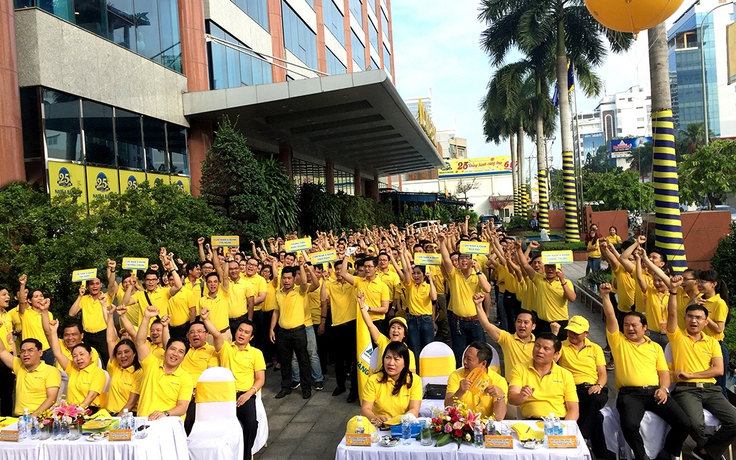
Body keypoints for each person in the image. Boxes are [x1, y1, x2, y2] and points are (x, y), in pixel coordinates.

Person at [600, 283, 691, 460]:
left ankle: (665, 454)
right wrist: (605, 296)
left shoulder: (655, 347)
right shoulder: (619, 342)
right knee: (629, 425)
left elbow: (664, 373)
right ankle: (642, 457)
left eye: (634, 325)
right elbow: (611, 315)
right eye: (626, 325)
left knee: (684, 423)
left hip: (655, 392)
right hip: (630, 394)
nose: (630, 328)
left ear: (645, 327)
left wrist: (664, 389)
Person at [666, 276, 736, 460]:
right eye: (690, 316)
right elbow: (671, 314)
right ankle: (709, 451)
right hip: (686, 391)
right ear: (685, 318)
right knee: (695, 424)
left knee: (735, 420)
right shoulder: (677, 337)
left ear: (706, 322)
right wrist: (673, 291)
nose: (694, 321)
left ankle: (706, 451)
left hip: (711, 390)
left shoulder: (713, 342)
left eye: (699, 318)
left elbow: (718, 370)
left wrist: (691, 374)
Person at [204, 316, 265, 460]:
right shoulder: (225, 348)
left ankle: (245, 454)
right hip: (225, 395)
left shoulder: (256, 353)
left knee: (251, 423)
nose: (242, 334)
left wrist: (248, 394)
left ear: (251, 337)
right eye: (240, 330)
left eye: (246, 332)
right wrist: (206, 319)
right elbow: (217, 335)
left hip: (246, 394)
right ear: (235, 331)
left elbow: (260, 379)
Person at [552, 316, 608, 459]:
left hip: (593, 387)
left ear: (586, 333)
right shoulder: (562, 346)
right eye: (570, 331)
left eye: (576, 333)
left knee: (595, 399)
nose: (572, 335)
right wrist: (554, 336)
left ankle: (582, 436)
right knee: (597, 418)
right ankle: (601, 455)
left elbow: (602, 373)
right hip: (572, 388)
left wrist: (599, 385)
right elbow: (550, 362)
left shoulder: (595, 348)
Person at [438, 231, 492, 366]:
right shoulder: (454, 274)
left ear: (472, 260)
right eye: (461, 257)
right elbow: (445, 259)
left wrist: (478, 270)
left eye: (467, 257)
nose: (463, 260)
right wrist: (442, 242)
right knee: (460, 354)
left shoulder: (478, 275)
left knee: (480, 354)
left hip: (475, 321)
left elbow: (487, 289)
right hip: (457, 322)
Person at [135, 305, 193, 420]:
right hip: (144, 421)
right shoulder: (151, 364)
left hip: (169, 422)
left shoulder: (185, 378)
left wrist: (165, 413)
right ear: (165, 350)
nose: (175, 354)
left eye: (181, 352)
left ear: (184, 357)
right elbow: (140, 343)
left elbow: (182, 407)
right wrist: (146, 317)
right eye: (172, 349)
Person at [43, 305, 106, 410]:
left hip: (87, 410)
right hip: (69, 408)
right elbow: (58, 353)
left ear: (90, 354)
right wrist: (53, 331)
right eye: (75, 356)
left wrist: (78, 412)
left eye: (82, 354)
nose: (79, 358)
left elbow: (91, 396)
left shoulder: (97, 372)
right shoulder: (72, 369)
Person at [507, 332, 579, 420]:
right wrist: (521, 396)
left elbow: (573, 409)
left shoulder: (565, 374)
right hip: (530, 422)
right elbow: (512, 398)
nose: (540, 351)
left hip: (557, 422)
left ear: (556, 354)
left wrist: (565, 428)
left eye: (546, 348)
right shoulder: (519, 369)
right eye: (537, 346)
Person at [269, 264, 313, 400]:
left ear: (295, 278)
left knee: (303, 360)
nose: (286, 281)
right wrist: (271, 329)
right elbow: (276, 312)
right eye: (284, 278)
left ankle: (306, 388)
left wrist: (301, 265)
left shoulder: (300, 291)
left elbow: (305, 282)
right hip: (283, 332)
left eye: (289, 278)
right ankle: (285, 387)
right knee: (285, 361)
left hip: (298, 331)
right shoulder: (278, 293)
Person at [517, 246, 575, 338]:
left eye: (553, 267)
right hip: (542, 323)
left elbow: (572, 298)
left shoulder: (567, 282)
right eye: (548, 266)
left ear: (559, 269)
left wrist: (562, 281)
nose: (550, 269)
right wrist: (519, 249)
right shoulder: (539, 279)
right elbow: (525, 265)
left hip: (560, 323)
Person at [321, 260, 358, 402]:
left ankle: (354, 390)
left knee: (353, 359)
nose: (338, 271)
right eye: (336, 269)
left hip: (352, 325)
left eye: (340, 269)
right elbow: (323, 298)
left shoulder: (353, 283)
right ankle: (340, 385)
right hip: (336, 326)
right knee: (338, 359)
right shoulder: (331, 284)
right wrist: (324, 281)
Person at [361, 341, 422, 427]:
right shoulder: (373, 380)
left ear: (405, 363)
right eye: (388, 357)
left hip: (403, 426)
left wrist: (398, 421)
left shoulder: (414, 380)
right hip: (379, 426)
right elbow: (365, 409)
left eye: (396, 359)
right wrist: (374, 418)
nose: (391, 363)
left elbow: (414, 409)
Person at [68, 259, 117, 366]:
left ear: (101, 285)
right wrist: (80, 295)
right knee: (88, 361)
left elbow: (112, 284)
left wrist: (112, 270)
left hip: (103, 334)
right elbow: (71, 313)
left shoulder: (106, 296)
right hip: (87, 336)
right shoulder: (84, 299)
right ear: (88, 286)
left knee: (108, 360)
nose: (94, 286)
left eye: (97, 284)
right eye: (91, 284)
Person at [474, 292, 534, 378]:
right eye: (519, 321)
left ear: (533, 326)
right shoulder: (507, 339)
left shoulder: (539, 344)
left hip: (533, 386)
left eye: (526, 322)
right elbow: (487, 326)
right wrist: (479, 305)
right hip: (512, 386)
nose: (522, 325)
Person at [444, 341, 507, 419]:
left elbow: (499, 417)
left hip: (487, 426)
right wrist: (460, 391)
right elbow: (448, 407)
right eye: (464, 357)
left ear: (483, 363)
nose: (464, 362)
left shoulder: (499, 380)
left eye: (469, 359)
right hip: (462, 426)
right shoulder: (456, 376)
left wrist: (500, 397)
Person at [0, 337, 60, 416]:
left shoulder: (51, 371)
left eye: (30, 350)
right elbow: (2, 351)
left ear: (40, 353)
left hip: (40, 418)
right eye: (22, 351)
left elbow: (51, 398)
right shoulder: (19, 366)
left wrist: (33, 416)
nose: (26, 354)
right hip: (19, 417)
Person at [358, 293, 417, 373]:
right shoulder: (383, 341)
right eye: (393, 327)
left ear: (404, 334)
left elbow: (412, 375)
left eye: (399, 328)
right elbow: (370, 325)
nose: (395, 330)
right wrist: (362, 306)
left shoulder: (409, 352)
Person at [396, 245, 437, 356]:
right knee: (415, 350)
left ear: (424, 274)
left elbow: (434, 298)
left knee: (428, 350)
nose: (416, 275)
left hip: (426, 320)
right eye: (414, 273)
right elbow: (406, 269)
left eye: (419, 273)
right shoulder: (410, 285)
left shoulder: (428, 286)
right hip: (412, 320)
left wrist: (431, 280)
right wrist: (402, 253)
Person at [104, 303, 143, 415]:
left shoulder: (139, 372)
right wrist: (110, 315)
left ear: (134, 353)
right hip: (109, 415)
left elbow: (131, 404)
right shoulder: (115, 366)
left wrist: (118, 419)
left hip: (126, 416)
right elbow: (111, 340)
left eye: (127, 352)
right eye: (119, 353)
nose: (123, 356)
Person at [340, 255, 390, 335]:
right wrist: (346, 255)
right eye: (365, 266)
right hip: (362, 322)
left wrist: (368, 308)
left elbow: (385, 309)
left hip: (376, 322)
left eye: (370, 266)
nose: (367, 269)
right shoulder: (359, 281)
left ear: (376, 268)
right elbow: (343, 273)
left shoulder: (383, 286)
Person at [0, 285, 14, 415]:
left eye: (8, 294)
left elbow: (10, 338)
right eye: (4, 294)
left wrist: (15, 355)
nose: (7, 297)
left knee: (7, 393)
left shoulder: (7, 315)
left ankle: (7, 422)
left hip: (8, 356)